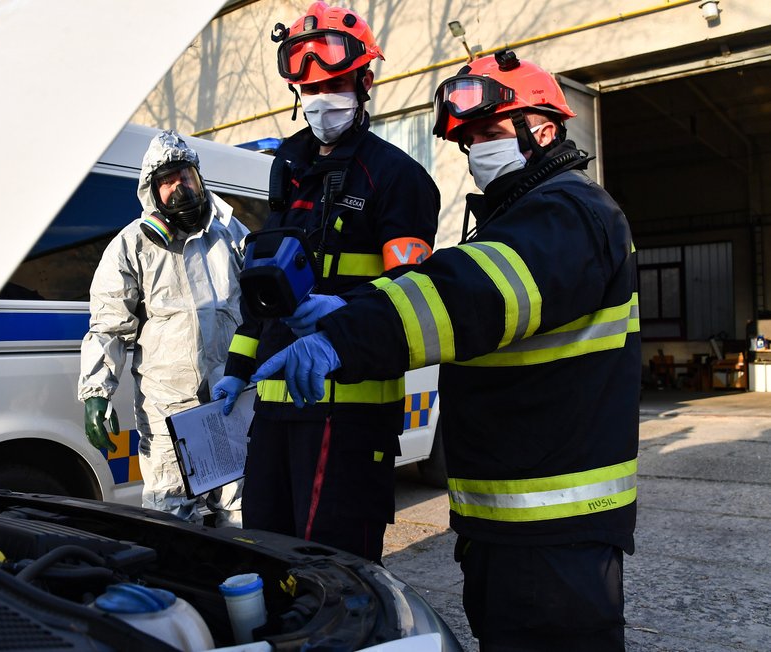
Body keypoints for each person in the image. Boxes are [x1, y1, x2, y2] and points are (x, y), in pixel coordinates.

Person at [252, 49, 640, 650]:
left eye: (487, 131)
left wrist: (346, 334)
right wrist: (353, 310)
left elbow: (467, 297)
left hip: (556, 534)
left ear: (543, 128)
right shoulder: (523, 217)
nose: (475, 149)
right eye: (466, 139)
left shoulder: (570, 212)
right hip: (508, 523)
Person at [213, 1, 440, 563]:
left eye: (335, 83)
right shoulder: (286, 168)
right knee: (266, 551)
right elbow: (263, 292)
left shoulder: (397, 178)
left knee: (336, 565)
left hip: (350, 407)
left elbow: (409, 293)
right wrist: (237, 369)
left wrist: (343, 312)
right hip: (274, 405)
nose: (321, 101)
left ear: (364, 83)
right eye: (309, 89)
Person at [78, 129, 247, 527]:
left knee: (239, 508)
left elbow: (260, 308)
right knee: (170, 512)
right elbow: (108, 325)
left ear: (199, 179)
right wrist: (96, 391)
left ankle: (241, 584)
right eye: (166, 182)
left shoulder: (230, 236)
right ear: (152, 193)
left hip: (228, 397)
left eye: (184, 177)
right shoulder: (132, 245)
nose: (178, 189)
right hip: (169, 408)